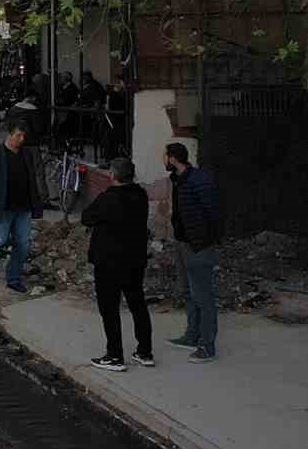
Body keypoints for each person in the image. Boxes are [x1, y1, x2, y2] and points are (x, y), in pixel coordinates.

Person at [82, 157, 154, 371]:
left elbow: (87, 217)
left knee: (110, 309)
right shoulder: (140, 194)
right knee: (137, 304)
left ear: (113, 175)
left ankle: (114, 356)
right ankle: (145, 352)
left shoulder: (108, 198)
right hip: (135, 260)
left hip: (109, 262)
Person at [164, 142, 222, 362]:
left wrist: (205, 242)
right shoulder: (178, 180)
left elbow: (214, 213)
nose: (163, 160)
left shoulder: (199, 180)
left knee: (203, 297)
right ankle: (192, 335)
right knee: (188, 292)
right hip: (182, 244)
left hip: (198, 247)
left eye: (165, 156)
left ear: (173, 159)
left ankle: (207, 347)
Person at [0, 120, 43, 292]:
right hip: (3, 207)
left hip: (24, 207)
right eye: (18, 135)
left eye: (23, 136)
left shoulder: (27, 154)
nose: (21, 139)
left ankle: (13, 279)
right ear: (9, 134)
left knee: (23, 244)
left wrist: (37, 203)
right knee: (0, 240)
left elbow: (32, 181)